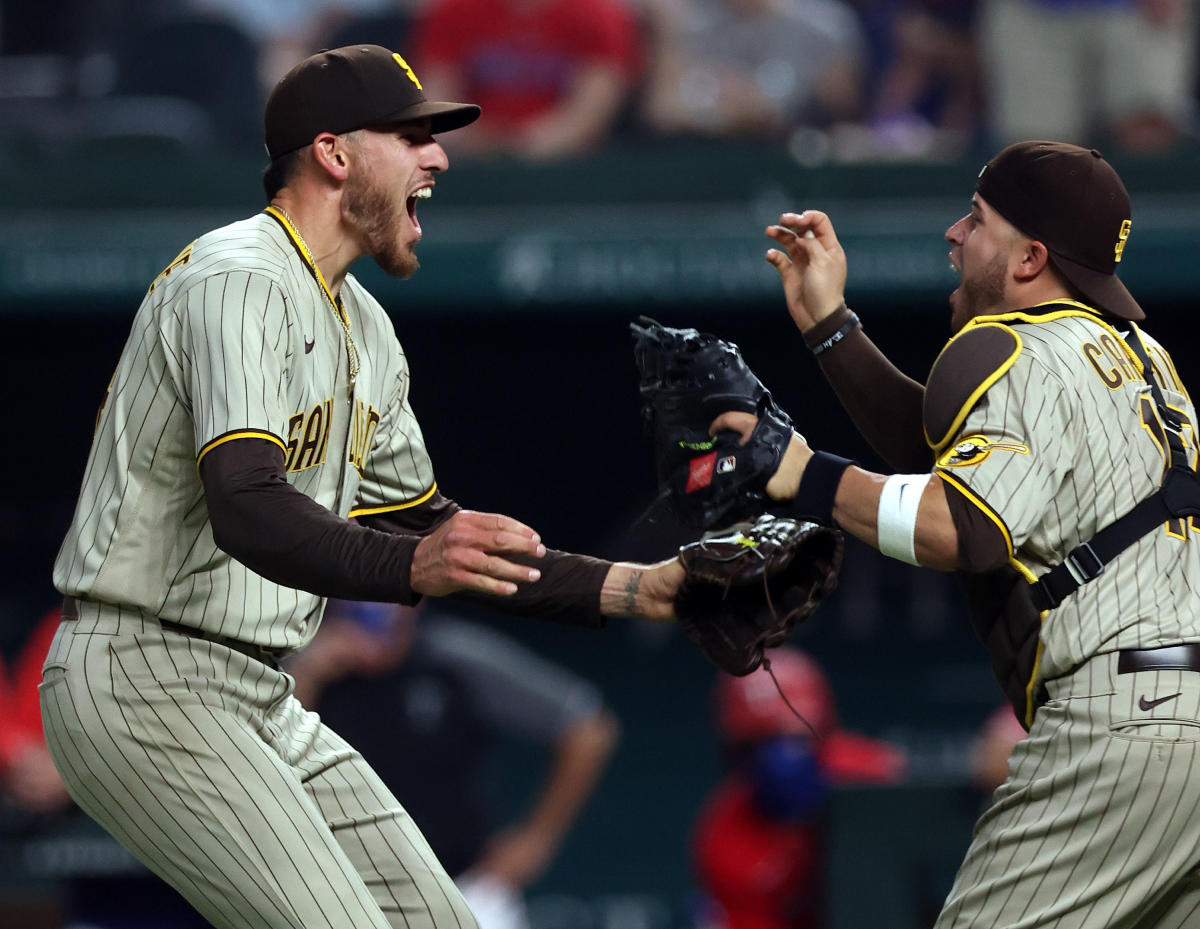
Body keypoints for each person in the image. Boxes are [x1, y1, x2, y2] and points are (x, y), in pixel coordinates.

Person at [42, 44, 683, 929]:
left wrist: (640, 589)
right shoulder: (238, 277)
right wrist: (417, 562)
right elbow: (249, 505)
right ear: (335, 154)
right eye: (413, 135)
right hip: (145, 669)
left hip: (258, 689)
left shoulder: (366, 328)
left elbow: (444, 532)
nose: (440, 157)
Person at [717, 141, 1200, 926]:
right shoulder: (1144, 358)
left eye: (976, 221)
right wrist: (830, 327)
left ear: (1029, 257)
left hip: (1126, 725)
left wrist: (800, 472)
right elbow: (948, 452)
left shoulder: (1012, 346)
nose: (953, 234)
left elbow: (960, 524)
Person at [288, 599, 619, 929]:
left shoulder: (452, 657)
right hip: (345, 890)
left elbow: (590, 730)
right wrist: (309, 672)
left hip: (465, 886)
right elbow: (267, 757)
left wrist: (536, 840)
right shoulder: (302, 667)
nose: (373, 608)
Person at [691, 647, 906, 929]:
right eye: (759, 744)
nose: (783, 759)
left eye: (796, 740)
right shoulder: (725, 835)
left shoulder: (866, 773)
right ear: (736, 755)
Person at [411, 0, 643, 160]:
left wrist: (522, 147)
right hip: (469, 165)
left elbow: (589, 114)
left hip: (565, 169)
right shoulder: (454, 11)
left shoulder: (598, 14)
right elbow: (438, 106)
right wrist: (480, 142)